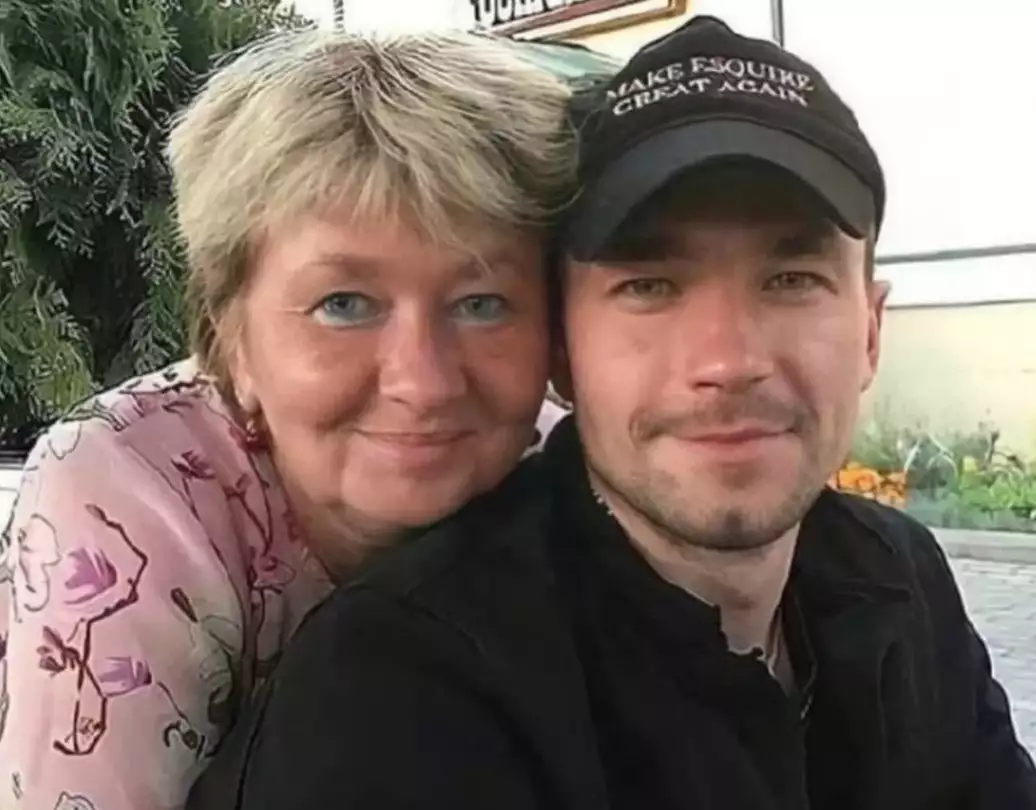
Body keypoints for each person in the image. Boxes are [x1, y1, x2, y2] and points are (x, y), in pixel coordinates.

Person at [186, 15, 1036, 810]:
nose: (727, 361)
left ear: (871, 332)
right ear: (561, 351)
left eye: (791, 280)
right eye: (649, 286)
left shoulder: (903, 583)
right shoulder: (397, 692)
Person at [0, 28, 593, 810]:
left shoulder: (570, 479)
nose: (422, 382)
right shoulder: (129, 503)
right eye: (344, 304)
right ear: (230, 339)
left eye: (481, 304)